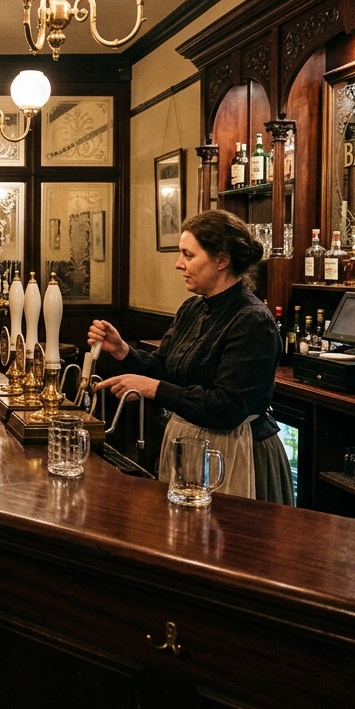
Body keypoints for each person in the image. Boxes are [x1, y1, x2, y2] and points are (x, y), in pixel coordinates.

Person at [89, 209, 293, 504]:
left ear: (222, 260)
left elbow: (227, 408)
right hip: (191, 447)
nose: (178, 264)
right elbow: (163, 368)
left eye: (188, 255)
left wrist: (153, 389)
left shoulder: (252, 320)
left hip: (235, 453)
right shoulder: (193, 308)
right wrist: (122, 350)